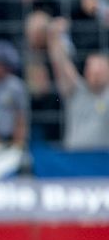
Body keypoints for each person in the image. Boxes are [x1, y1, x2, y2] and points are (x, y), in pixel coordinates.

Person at [47, 17, 109, 150]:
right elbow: (61, 63)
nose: (96, 75)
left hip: (104, 161)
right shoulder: (76, 91)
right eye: (92, 70)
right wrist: (55, 37)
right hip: (75, 161)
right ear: (85, 72)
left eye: (100, 70)